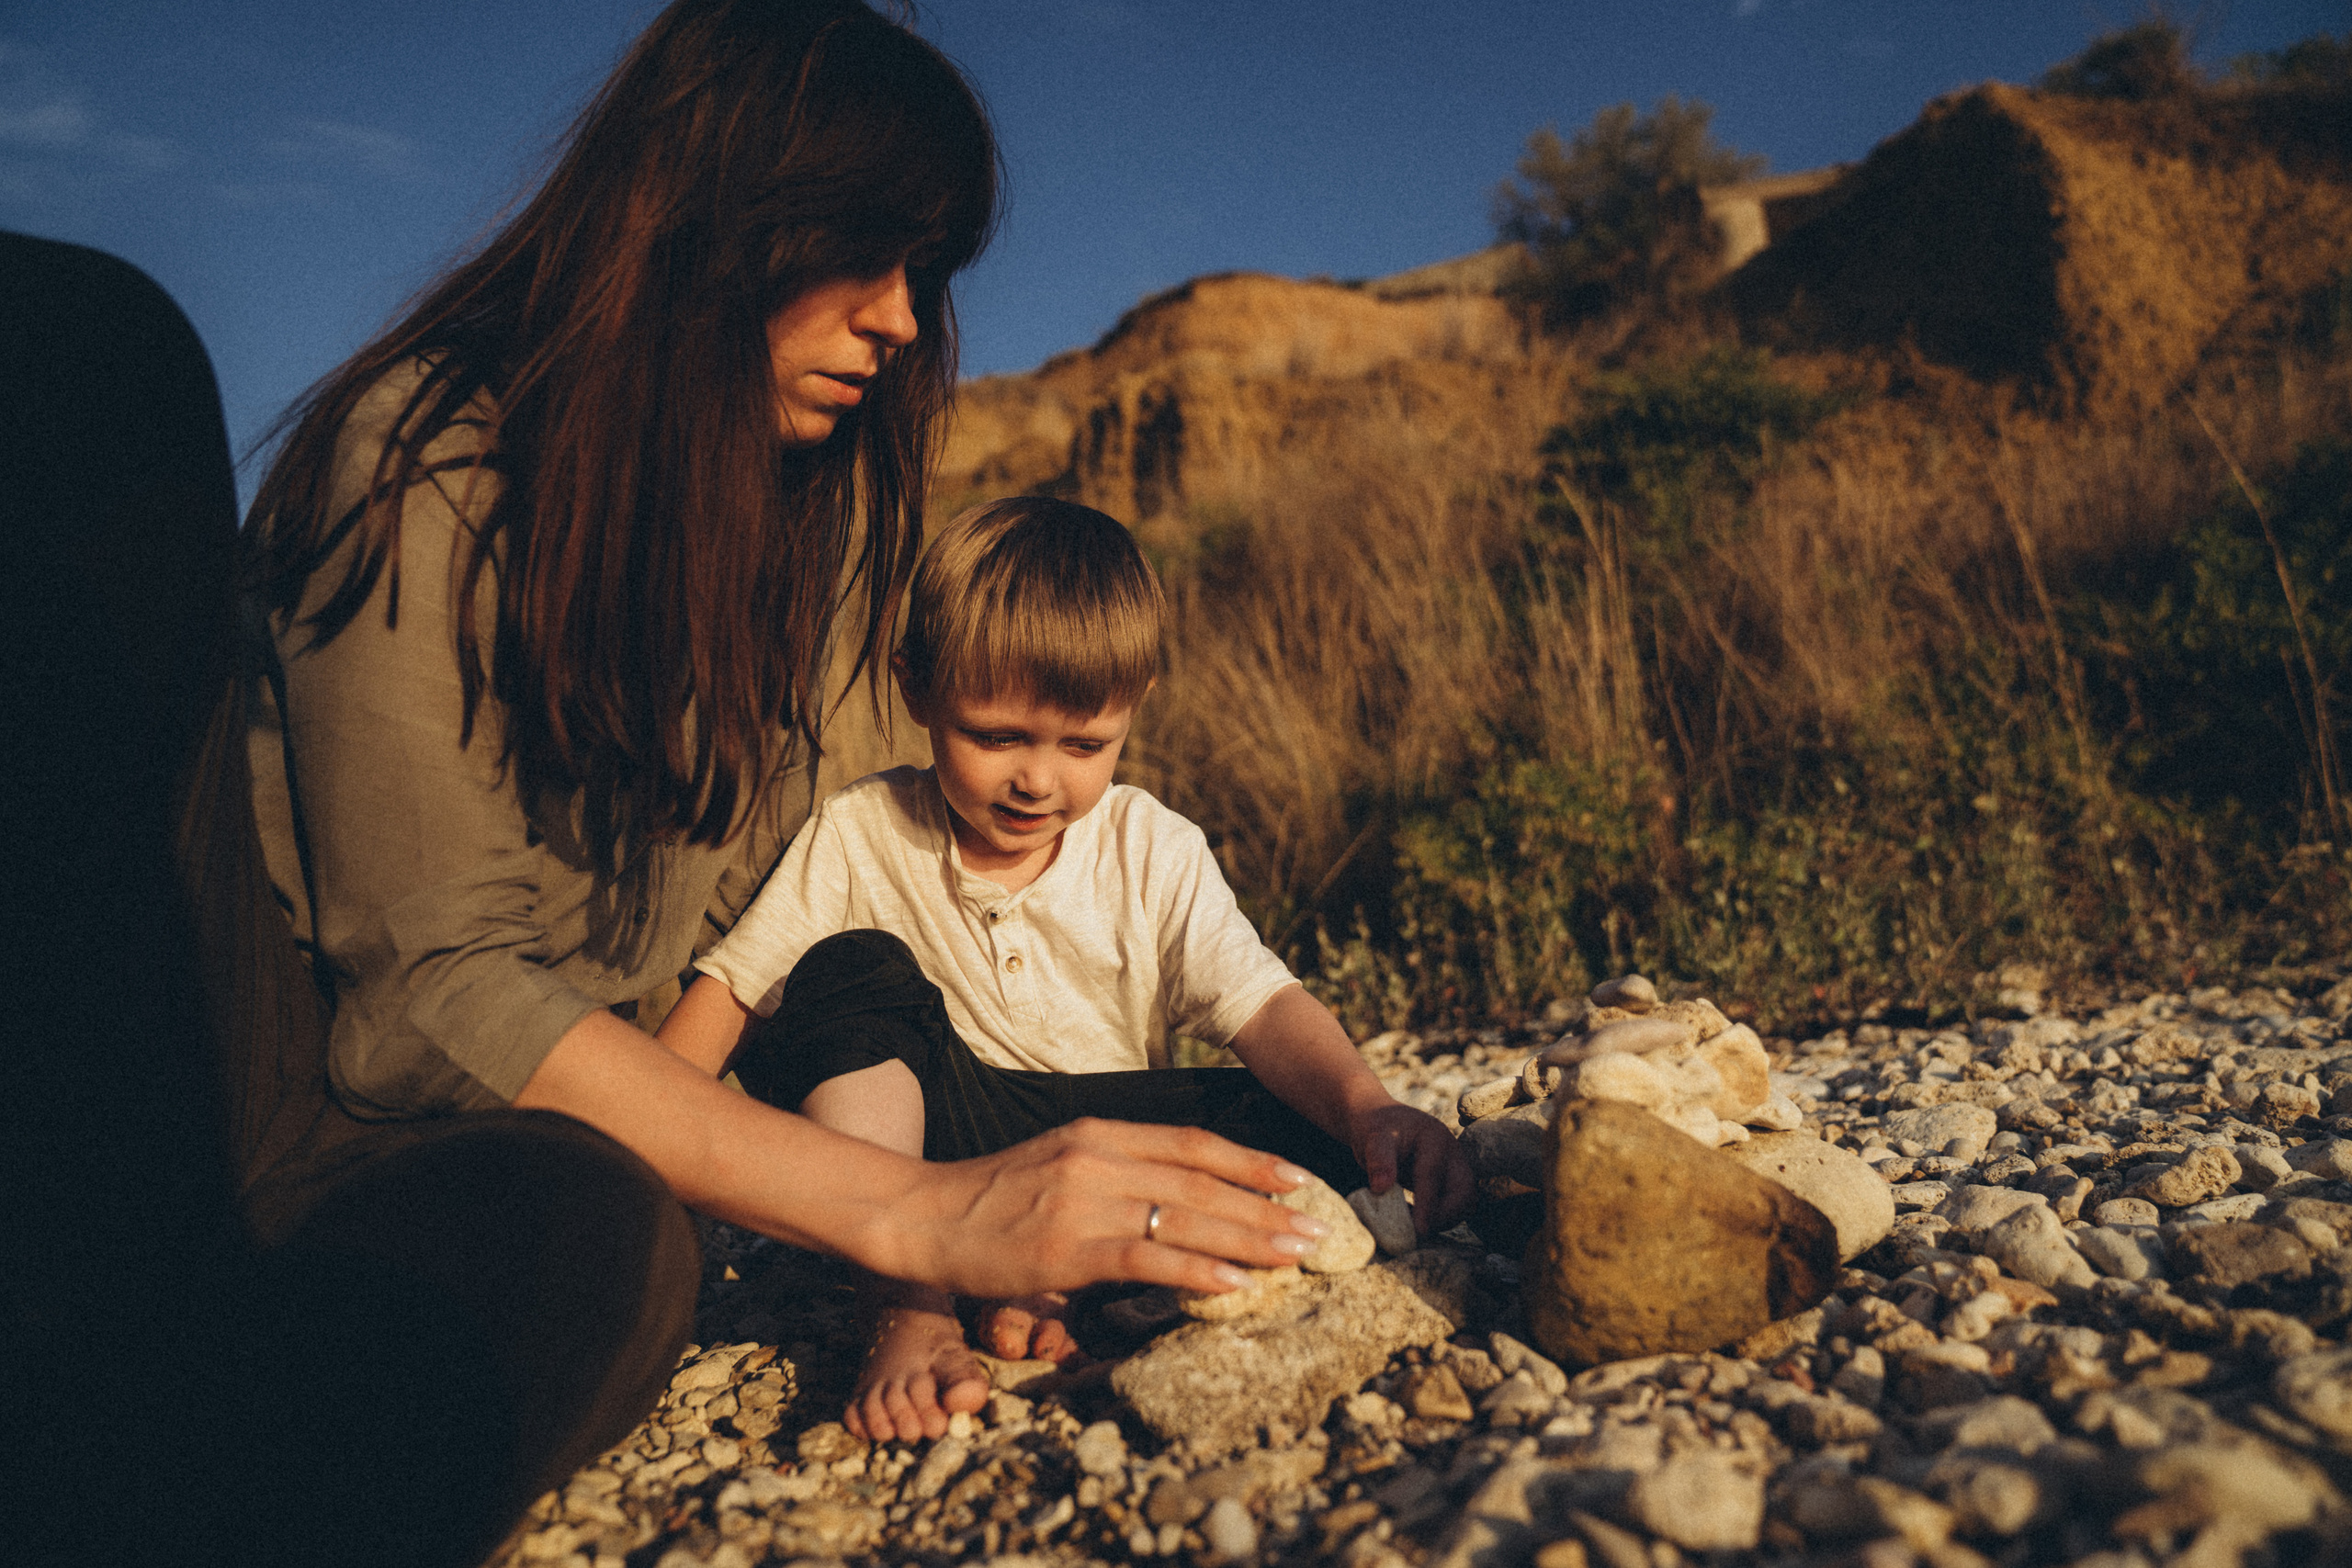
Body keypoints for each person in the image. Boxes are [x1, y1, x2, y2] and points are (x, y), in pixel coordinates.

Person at [225, 4, 1324, 1561]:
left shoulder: (809, 519)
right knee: (600, 1252)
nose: (895, 320)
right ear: (712, 223)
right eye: (862, 254)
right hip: (351, 1128)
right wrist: (923, 1213)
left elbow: (857, 884)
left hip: (660, 1081)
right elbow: (432, 993)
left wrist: (1015, 1177)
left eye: (921, 277)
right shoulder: (425, 461)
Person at [657, 496, 1476, 1442]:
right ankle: (913, 1305)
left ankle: (1056, 1281)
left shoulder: (1150, 845)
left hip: (1110, 1144)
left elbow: (1260, 1006)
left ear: (1136, 707)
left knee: (1316, 1136)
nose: (1038, 779)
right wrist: (626, 1161)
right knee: (845, 970)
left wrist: (1369, 1106)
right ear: (916, 691)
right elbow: (733, 991)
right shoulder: (861, 831)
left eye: (1084, 745)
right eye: (997, 736)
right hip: (945, 1155)